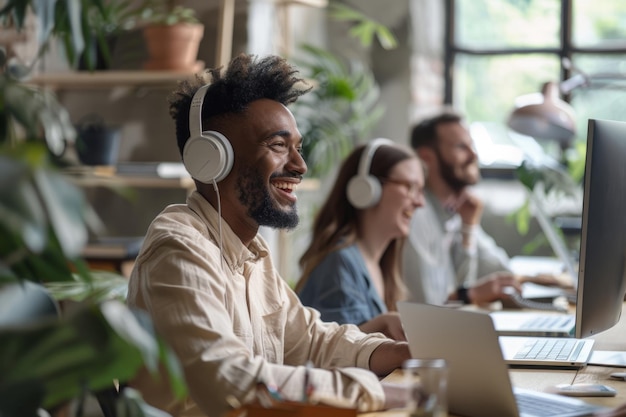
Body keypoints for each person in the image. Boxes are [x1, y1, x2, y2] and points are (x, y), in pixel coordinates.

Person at [125, 53, 411, 417]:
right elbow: (232, 381)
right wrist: (377, 393)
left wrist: (398, 352)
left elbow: (311, 340)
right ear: (211, 159)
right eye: (278, 145)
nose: (300, 165)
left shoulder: (251, 254)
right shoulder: (179, 248)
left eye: (298, 148)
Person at [402, 111, 568, 306]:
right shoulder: (417, 216)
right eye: (461, 147)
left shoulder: (456, 210)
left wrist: (469, 228)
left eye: (471, 145)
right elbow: (433, 306)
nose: (474, 154)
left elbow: (497, 270)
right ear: (427, 157)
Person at [296, 139, 424, 341]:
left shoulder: (381, 263)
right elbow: (334, 350)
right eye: (410, 187)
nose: (419, 202)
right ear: (368, 189)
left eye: (420, 190)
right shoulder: (339, 263)